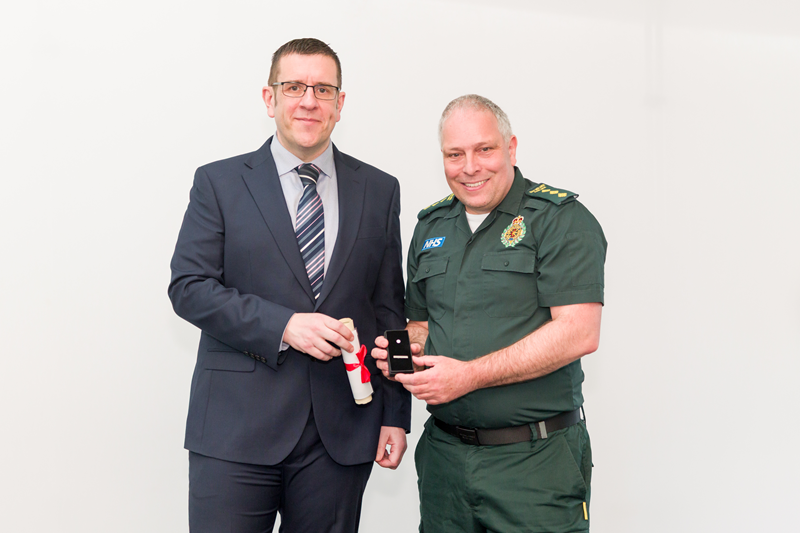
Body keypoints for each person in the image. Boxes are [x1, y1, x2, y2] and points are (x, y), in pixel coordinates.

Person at [169, 38, 410, 533]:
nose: (309, 100)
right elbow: (189, 287)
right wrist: (285, 326)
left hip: (341, 433)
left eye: (323, 89)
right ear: (269, 98)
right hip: (234, 433)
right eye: (294, 86)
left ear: (340, 104)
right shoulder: (219, 182)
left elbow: (390, 309)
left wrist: (396, 413)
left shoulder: (380, 189)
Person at [372, 94, 606, 533]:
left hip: (535, 464)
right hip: (445, 461)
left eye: (485, 150)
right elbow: (421, 323)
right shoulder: (432, 226)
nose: (470, 167)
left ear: (511, 148)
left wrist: (468, 375)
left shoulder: (559, 220)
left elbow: (579, 332)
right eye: (454, 154)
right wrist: (406, 350)